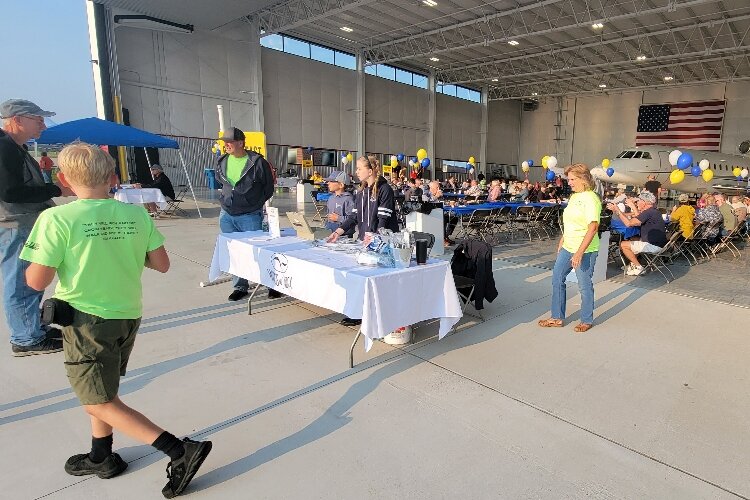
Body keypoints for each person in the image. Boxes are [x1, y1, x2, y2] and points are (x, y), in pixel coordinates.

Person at [20, 143, 211, 497]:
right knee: (103, 389)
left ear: (62, 179)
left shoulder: (56, 219)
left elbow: (36, 281)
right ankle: (101, 455)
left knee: (95, 399)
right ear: (112, 178)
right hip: (126, 315)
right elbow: (162, 264)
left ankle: (179, 451)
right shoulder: (136, 214)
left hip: (87, 321)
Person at [0, 98, 70, 356]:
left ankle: (31, 328)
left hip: (22, 223)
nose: (42, 123)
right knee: (20, 281)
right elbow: (10, 192)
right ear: (16, 120)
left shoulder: (14, 147)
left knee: (29, 280)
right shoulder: (4, 147)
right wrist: (56, 189)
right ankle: (26, 339)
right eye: (37, 118)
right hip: (15, 225)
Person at [328, 155, 398, 327]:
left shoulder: (384, 189)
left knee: (377, 281)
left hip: (382, 244)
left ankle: (380, 313)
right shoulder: (360, 192)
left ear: (370, 170)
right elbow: (353, 216)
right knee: (359, 278)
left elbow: (383, 219)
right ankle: (359, 312)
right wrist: (339, 231)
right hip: (364, 242)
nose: (357, 172)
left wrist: (374, 237)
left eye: (359, 169)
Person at [538, 163, 601, 333]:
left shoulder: (591, 199)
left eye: (573, 179)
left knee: (584, 285)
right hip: (568, 246)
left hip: (585, 250)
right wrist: (563, 239)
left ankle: (586, 319)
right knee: (557, 278)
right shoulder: (574, 197)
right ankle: (557, 317)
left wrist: (579, 253)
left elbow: (592, 227)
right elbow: (570, 222)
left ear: (583, 179)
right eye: (569, 179)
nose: (570, 182)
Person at [215, 127, 275, 301]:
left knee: (258, 252)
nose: (226, 145)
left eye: (230, 142)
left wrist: (253, 204)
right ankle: (240, 286)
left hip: (250, 215)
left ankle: (270, 284)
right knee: (234, 252)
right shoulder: (221, 161)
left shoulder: (257, 162)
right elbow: (222, 182)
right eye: (224, 142)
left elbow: (268, 188)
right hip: (226, 214)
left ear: (241, 143)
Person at [608, 191, 667, 276]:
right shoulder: (654, 211)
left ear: (644, 202)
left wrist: (617, 210)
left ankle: (638, 267)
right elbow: (639, 217)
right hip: (660, 244)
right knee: (634, 239)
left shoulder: (648, 212)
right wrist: (633, 206)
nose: (637, 203)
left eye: (638, 201)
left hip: (654, 246)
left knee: (623, 244)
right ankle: (633, 264)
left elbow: (628, 223)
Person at [324, 171, 354, 237]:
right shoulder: (331, 198)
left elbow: (353, 219)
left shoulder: (348, 199)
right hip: (330, 231)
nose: (328, 183)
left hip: (344, 235)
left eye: (331, 181)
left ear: (341, 185)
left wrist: (339, 218)